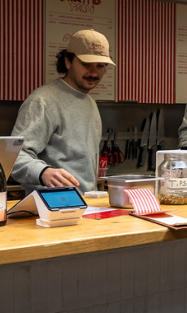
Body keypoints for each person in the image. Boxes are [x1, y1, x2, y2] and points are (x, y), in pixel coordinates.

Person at [10, 29, 115, 194]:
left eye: (100, 66)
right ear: (68, 61)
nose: (94, 73)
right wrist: (43, 172)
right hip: (50, 206)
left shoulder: (90, 103)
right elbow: (14, 155)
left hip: (86, 204)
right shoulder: (43, 101)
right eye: (86, 64)